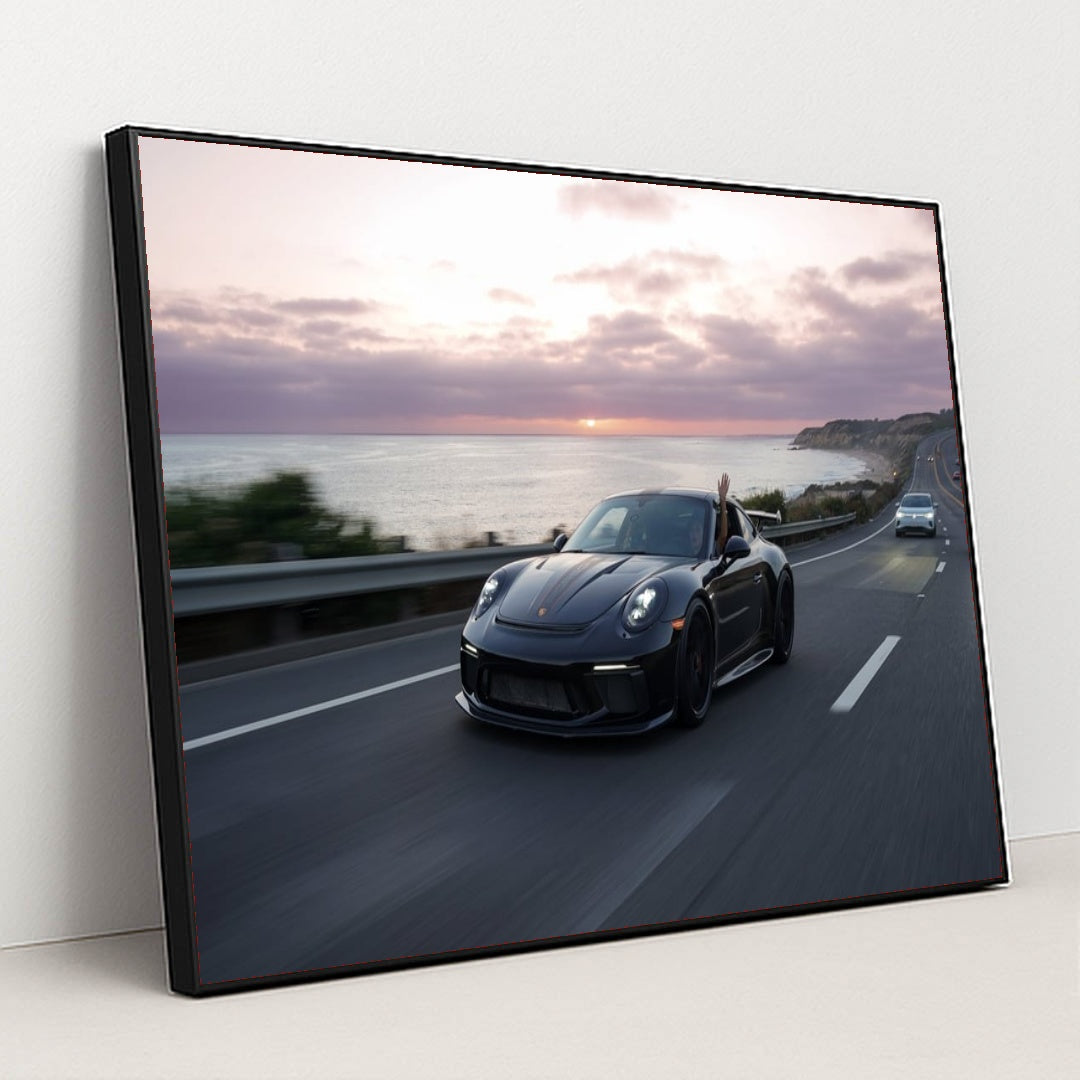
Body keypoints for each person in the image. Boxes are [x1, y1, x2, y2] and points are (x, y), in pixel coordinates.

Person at [715, 472, 731, 554]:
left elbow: (723, 536)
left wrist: (722, 499)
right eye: (692, 530)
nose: (694, 534)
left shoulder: (711, 548)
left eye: (697, 530)